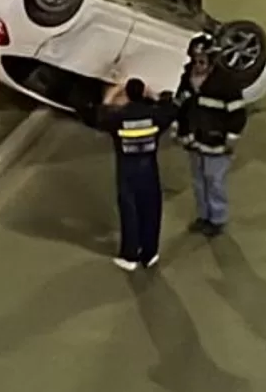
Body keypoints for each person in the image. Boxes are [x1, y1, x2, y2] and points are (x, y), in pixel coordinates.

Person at [98, 78, 176, 271]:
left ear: (127, 95)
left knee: (130, 210)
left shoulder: (119, 118)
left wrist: (111, 95)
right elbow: (171, 110)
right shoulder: (154, 115)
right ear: (143, 93)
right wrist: (155, 97)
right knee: (151, 208)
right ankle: (150, 253)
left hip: (128, 167)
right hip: (149, 166)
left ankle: (130, 255)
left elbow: (100, 115)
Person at [175, 35, 248, 238]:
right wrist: (181, 131)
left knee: (214, 181)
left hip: (217, 143)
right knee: (198, 181)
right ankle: (203, 216)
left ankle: (217, 219)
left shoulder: (226, 84)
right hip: (195, 141)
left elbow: (238, 115)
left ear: (212, 61)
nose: (197, 65)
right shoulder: (187, 79)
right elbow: (181, 107)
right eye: (194, 60)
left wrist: (231, 139)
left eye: (202, 61)